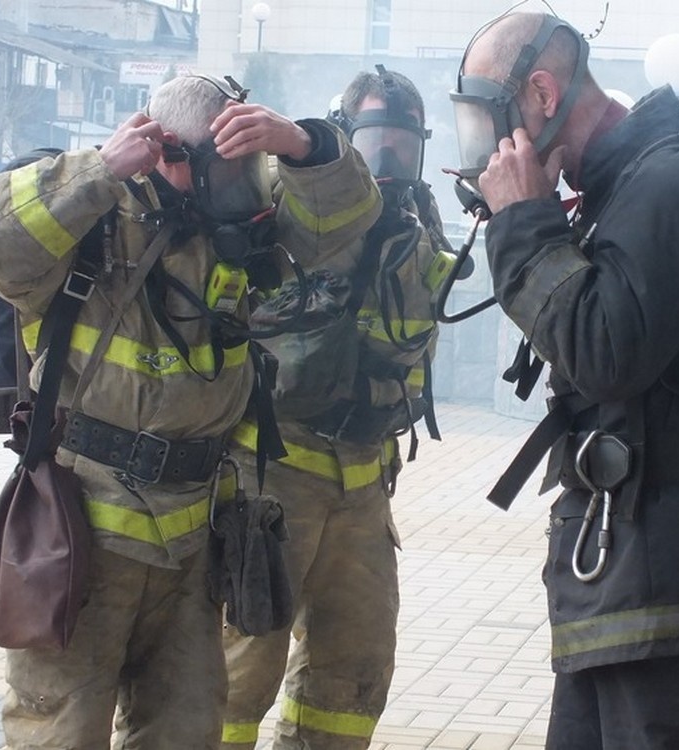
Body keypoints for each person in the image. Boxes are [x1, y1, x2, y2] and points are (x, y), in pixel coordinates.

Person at [0, 74, 380, 749]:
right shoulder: (92, 219)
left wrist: (303, 145)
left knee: (187, 732)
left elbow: (342, 225)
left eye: (250, 168)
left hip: (190, 546)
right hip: (78, 543)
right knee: (60, 733)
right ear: (166, 151)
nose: (243, 189)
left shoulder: (232, 230)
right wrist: (100, 171)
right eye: (228, 170)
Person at [451, 12, 679, 750]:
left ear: (540, 91)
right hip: (624, 567)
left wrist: (525, 222)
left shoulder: (672, 182)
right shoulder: (625, 185)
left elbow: (605, 352)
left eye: (492, 119)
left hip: (666, 575)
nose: (487, 147)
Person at [219, 67, 452, 750]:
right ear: (344, 137)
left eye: (402, 144)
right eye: (375, 139)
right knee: (240, 670)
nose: (389, 161)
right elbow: (321, 204)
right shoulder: (304, 200)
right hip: (277, 477)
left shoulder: (415, 221)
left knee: (354, 670)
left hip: (364, 481)